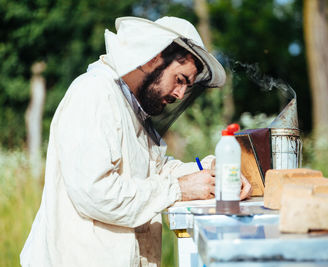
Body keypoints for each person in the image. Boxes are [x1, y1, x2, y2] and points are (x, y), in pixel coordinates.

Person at [20, 16, 252, 267]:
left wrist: (212, 172)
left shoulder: (131, 107)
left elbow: (156, 170)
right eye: (180, 79)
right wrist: (179, 189)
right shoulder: (94, 95)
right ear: (154, 56)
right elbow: (96, 194)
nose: (180, 94)